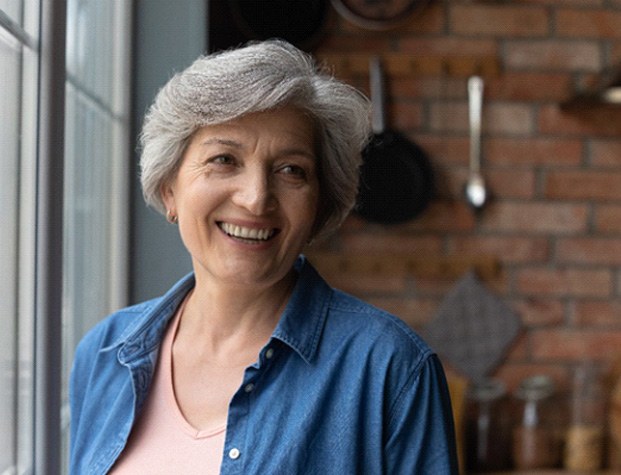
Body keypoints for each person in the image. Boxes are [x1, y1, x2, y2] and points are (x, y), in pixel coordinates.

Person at [69, 40, 458, 474]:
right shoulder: (104, 354)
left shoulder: (390, 368)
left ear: (319, 206)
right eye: (224, 159)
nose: (256, 200)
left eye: (291, 170)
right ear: (169, 187)